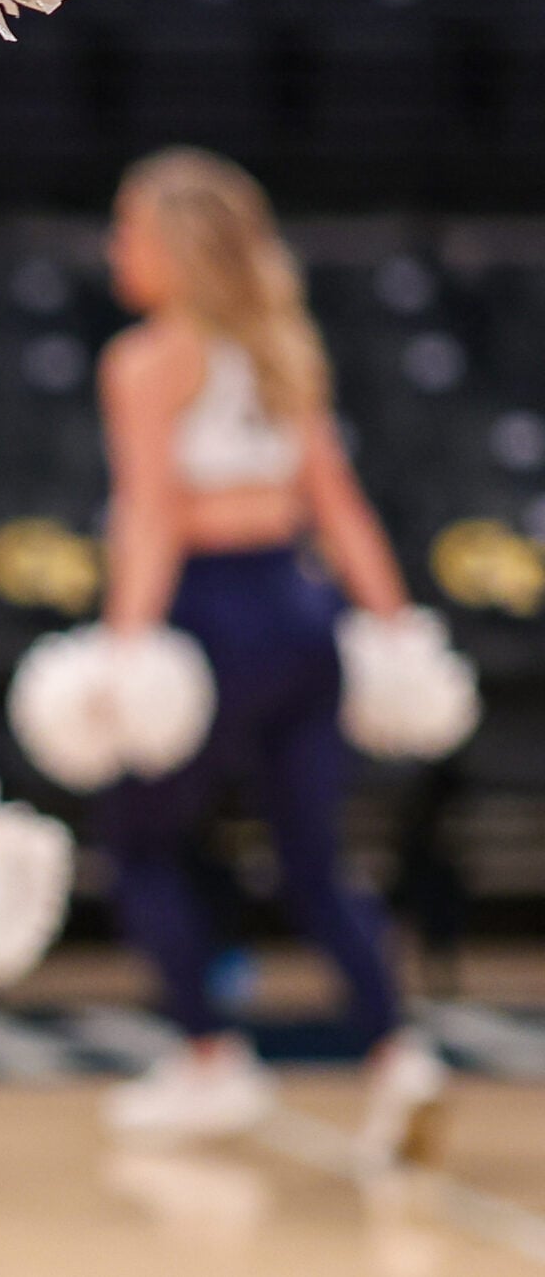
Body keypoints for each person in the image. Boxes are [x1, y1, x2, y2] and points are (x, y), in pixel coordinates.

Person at [94, 147, 446, 1155]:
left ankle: (205, 1056)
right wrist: (392, 624)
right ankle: (397, 1054)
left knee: (138, 836)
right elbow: (337, 509)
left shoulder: (144, 361)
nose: (116, 247)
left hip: (211, 614)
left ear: (176, 248)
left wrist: (123, 655)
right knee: (312, 859)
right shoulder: (283, 347)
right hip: (300, 612)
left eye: (130, 229)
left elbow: (151, 519)